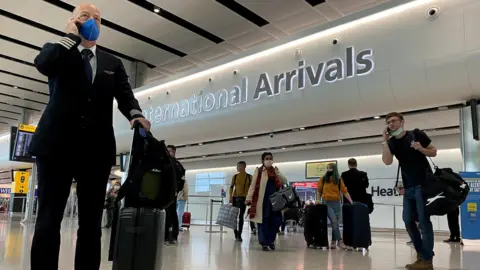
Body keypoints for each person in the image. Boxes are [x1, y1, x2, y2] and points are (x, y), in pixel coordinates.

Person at [29, 4, 150, 270]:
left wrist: (135, 113)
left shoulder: (112, 62)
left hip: (95, 151)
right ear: (73, 20)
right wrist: (71, 37)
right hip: (55, 147)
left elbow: (125, 95)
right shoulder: (60, 50)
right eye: (85, 16)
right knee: (48, 220)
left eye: (97, 18)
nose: (92, 21)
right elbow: (43, 64)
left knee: (91, 224)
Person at [382, 112, 437, 270]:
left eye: (394, 121)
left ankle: (427, 260)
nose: (391, 124)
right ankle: (421, 254)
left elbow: (433, 151)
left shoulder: (416, 134)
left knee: (424, 223)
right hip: (408, 188)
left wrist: (421, 148)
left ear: (402, 122)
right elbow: (387, 161)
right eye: (388, 122)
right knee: (407, 220)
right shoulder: (392, 142)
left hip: (423, 184)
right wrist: (384, 141)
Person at [245, 152, 287, 251]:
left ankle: (271, 241)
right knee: (263, 221)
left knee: (275, 221)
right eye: (267, 158)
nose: (269, 160)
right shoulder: (259, 171)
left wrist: (278, 173)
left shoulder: (275, 170)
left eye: (270, 158)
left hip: (275, 201)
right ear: (263, 160)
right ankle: (264, 243)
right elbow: (253, 185)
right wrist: (248, 198)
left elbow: (284, 181)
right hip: (262, 200)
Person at [316, 163, 353, 249]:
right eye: (328, 168)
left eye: (331, 168)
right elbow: (319, 190)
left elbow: (344, 191)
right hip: (326, 203)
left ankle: (333, 241)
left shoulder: (338, 180)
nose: (329, 169)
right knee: (334, 221)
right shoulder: (323, 179)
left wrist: (351, 201)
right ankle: (340, 241)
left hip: (336, 203)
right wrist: (318, 200)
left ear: (334, 169)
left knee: (335, 222)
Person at [229, 161, 256, 241]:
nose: (237, 168)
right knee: (234, 216)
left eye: (238, 166)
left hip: (244, 199)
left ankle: (239, 234)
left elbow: (252, 189)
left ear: (243, 167)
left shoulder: (249, 177)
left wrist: (250, 199)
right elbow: (231, 187)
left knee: (241, 216)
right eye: (237, 166)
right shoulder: (235, 177)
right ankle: (236, 232)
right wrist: (230, 197)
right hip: (235, 198)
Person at [165, 145, 186, 245]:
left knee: (171, 214)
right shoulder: (166, 162)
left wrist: (176, 190)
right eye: (167, 151)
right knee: (169, 214)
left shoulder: (176, 164)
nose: (168, 153)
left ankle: (171, 236)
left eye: (170, 151)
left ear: (174, 152)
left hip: (171, 193)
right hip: (168, 193)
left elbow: (182, 180)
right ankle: (169, 236)